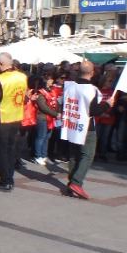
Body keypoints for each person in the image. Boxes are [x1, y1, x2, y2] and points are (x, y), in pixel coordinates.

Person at [60, 61, 113, 199]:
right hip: (86, 127)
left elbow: (64, 104)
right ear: (92, 72)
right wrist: (107, 105)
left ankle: (72, 182)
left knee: (74, 155)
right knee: (87, 155)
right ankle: (76, 183)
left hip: (72, 124)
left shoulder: (70, 86)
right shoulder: (91, 90)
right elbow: (94, 111)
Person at [0, 52, 28, 192]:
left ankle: (5, 181)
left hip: (3, 118)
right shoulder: (22, 77)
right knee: (11, 150)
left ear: (1, 64)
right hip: (16, 117)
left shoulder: (1, 79)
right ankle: (9, 179)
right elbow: (24, 97)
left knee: (2, 151)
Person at [30, 72, 58, 166]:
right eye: (50, 79)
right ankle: (37, 156)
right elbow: (43, 107)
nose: (52, 81)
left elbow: (55, 103)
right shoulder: (40, 92)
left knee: (47, 137)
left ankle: (43, 154)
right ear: (46, 81)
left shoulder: (51, 90)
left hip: (50, 118)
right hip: (42, 117)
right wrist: (55, 114)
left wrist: (56, 112)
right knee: (41, 137)